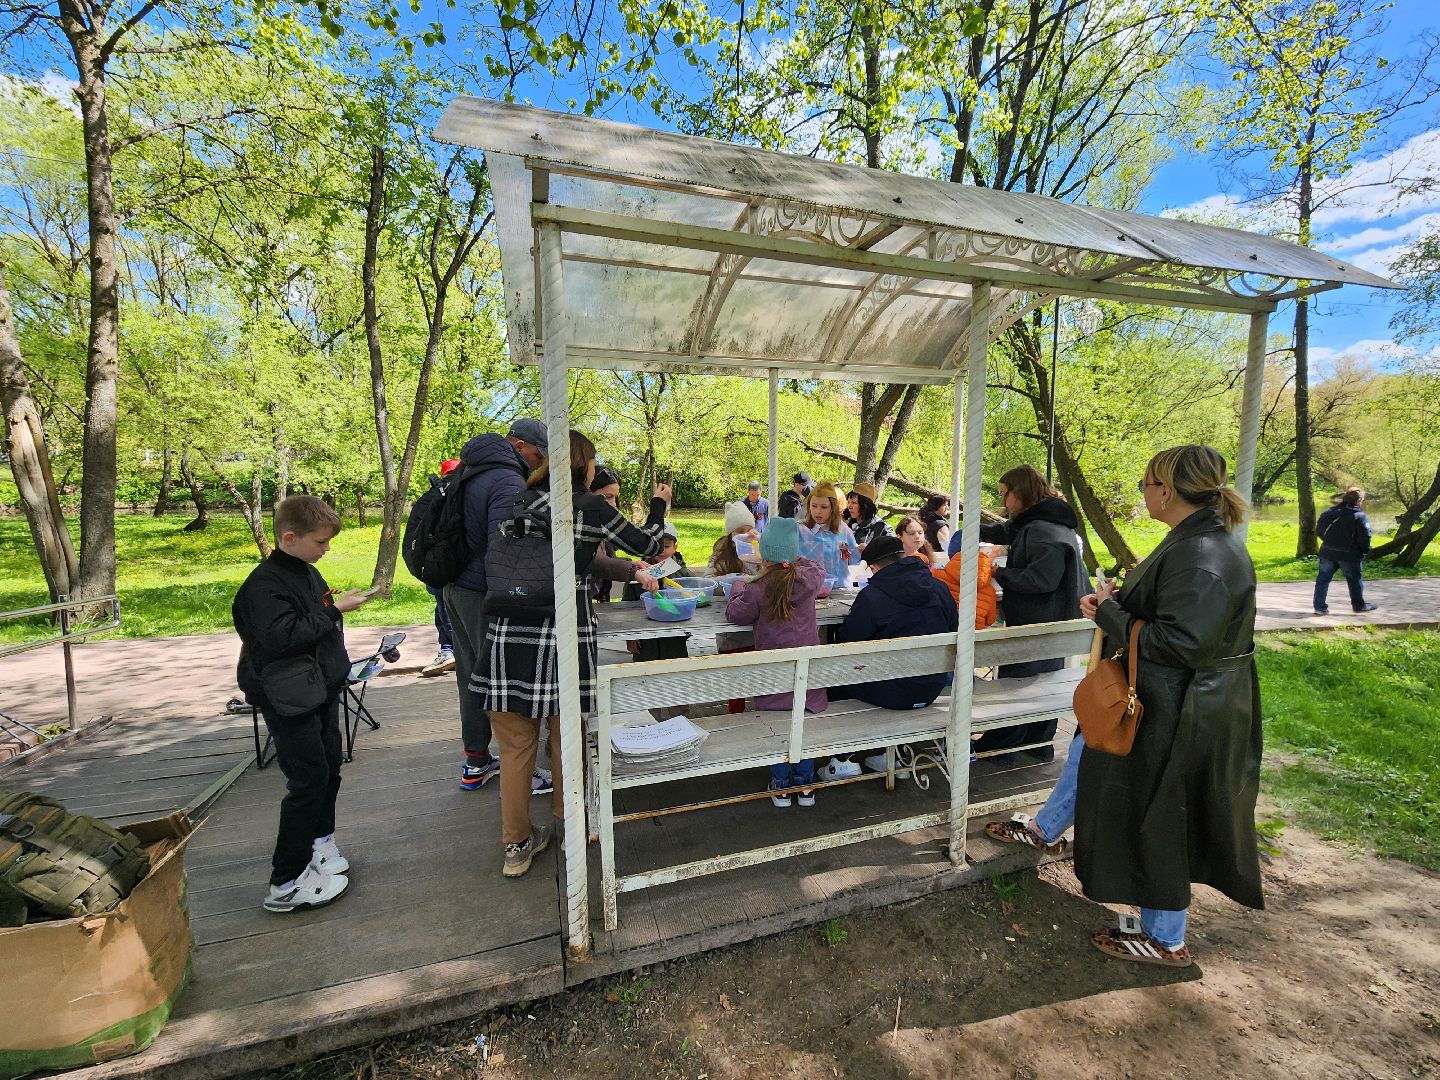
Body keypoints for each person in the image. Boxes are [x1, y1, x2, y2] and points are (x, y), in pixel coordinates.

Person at [993, 443, 1261, 970]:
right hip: (1166, 698)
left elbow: (1182, 643)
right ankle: (1050, 831)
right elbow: (1172, 617)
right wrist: (1117, 603)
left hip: (1182, 710)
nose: (1142, 494)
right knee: (1095, 758)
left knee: (1163, 812)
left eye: (1145, 484)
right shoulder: (1192, 541)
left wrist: (1115, 617)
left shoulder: (1202, 553)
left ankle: (1165, 938)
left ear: (1166, 490)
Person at [473, 430, 671, 877]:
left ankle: (516, 847)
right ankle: (570, 830)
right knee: (567, 740)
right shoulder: (588, 506)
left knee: (515, 747)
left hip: (508, 631)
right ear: (583, 464)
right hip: (563, 630)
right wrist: (659, 504)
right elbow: (651, 545)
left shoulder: (517, 502)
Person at [233, 496, 373, 912]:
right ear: (289, 538)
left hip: (320, 689)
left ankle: (320, 842)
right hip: (290, 698)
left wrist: (332, 604)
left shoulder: (305, 572)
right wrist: (334, 611)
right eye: (321, 542)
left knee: (329, 768)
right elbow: (282, 637)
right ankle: (286, 882)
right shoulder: (264, 585)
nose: (326, 549)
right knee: (307, 781)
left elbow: (314, 613)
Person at [970, 464, 1086, 762]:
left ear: (1019, 493)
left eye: (1004, 495)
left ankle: (1005, 745)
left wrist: (999, 571)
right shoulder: (1041, 520)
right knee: (1043, 679)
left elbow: (1041, 580)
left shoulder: (1043, 530)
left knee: (1020, 683)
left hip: (1041, 621)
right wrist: (969, 527)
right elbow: (1006, 530)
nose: (1003, 502)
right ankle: (1038, 743)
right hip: (1052, 622)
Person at [443, 427, 531, 790]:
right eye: (541, 452)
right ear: (522, 446)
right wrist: (519, 596)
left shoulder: (468, 470)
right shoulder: (508, 478)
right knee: (502, 681)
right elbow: (506, 547)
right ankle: (519, 768)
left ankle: (476, 760)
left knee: (471, 678)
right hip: (483, 594)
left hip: (453, 587)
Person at [830, 535, 959, 775]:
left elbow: (848, 644)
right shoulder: (939, 588)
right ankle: (887, 754)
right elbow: (955, 629)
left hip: (891, 692)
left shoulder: (872, 596)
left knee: (837, 676)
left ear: (875, 567)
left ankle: (843, 758)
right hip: (932, 685)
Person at [724, 517, 826, 807]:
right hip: (808, 679)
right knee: (802, 726)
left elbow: (734, 614)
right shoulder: (810, 579)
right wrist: (789, 554)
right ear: (793, 553)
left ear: (764, 553)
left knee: (777, 727)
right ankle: (805, 785)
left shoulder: (756, 589)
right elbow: (813, 566)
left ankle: (781, 785)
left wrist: (739, 585)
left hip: (774, 679)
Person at [588, 466, 660, 603]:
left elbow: (605, 557)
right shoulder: (583, 521)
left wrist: (632, 564)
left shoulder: (601, 522)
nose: (613, 503)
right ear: (589, 494)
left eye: (615, 497)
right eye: (608, 497)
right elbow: (594, 560)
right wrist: (634, 572)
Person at [422, 458, 462, 677]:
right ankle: (449, 650)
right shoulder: (442, 498)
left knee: (445, 611)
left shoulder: (435, 497)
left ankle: (449, 650)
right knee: (443, 611)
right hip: (443, 568)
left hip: (442, 569)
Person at [1314, 487, 1378, 614]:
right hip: (1349, 555)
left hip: (1327, 552)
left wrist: (1329, 542)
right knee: (1354, 580)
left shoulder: (1328, 513)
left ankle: (1319, 607)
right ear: (1359, 500)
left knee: (1322, 579)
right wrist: (1364, 551)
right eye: (1362, 500)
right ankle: (1359, 606)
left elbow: (1319, 531)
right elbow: (1365, 537)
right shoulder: (1359, 516)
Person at [931, 540, 998, 630]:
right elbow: (990, 620)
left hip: (943, 632)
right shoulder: (990, 591)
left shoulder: (936, 576)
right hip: (974, 635)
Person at [799, 481, 858, 583]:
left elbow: (855, 560)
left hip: (840, 589)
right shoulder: (800, 530)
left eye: (824, 507)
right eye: (814, 506)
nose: (818, 511)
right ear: (809, 507)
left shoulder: (843, 530)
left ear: (832, 508)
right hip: (809, 591)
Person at [709, 501, 759, 576]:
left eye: (749, 530)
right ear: (730, 535)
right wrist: (732, 578)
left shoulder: (759, 548)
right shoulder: (721, 551)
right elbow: (708, 579)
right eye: (740, 531)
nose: (745, 534)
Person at [845, 483, 892, 552]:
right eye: (848, 502)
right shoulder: (847, 523)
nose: (849, 506)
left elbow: (893, 551)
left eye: (854, 503)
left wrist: (870, 550)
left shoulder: (882, 528)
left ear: (866, 505)